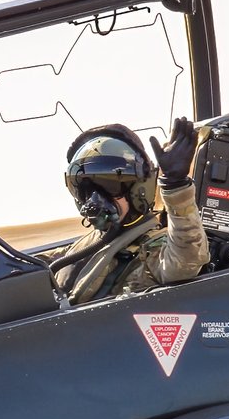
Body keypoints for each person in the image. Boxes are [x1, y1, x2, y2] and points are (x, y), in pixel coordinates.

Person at [46, 118, 209, 304]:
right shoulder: (87, 244)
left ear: (138, 189)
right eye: (85, 189)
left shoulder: (152, 248)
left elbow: (188, 258)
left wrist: (175, 185)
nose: (95, 199)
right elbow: (39, 265)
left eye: (110, 186)